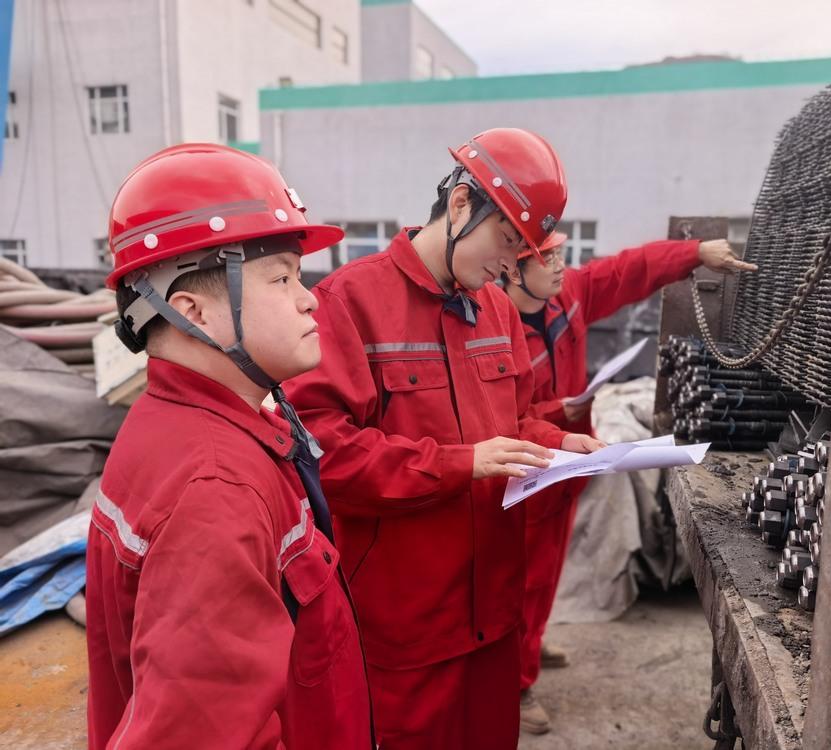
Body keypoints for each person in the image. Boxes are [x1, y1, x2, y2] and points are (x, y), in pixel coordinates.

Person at [285, 128, 602, 749]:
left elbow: (513, 424)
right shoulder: (349, 303)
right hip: (406, 623)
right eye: (508, 240)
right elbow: (324, 455)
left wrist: (560, 445)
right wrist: (461, 465)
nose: (512, 264)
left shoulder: (497, 310)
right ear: (461, 203)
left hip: (493, 613)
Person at [86, 143, 374, 749]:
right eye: (281, 278)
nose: (309, 297)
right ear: (194, 312)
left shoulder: (180, 423)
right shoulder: (215, 491)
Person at [503, 229, 756, 733]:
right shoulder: (492, 325)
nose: (559, 264)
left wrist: (694, 253)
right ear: (511, 268)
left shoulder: (566, 296)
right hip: (526, 471)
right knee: (520, 581)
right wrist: (560, 410)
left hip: (571, 467)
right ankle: (516, 682)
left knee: (548, 569)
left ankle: (528, 645)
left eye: (559, 253)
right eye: (546, 256)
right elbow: (499, 416)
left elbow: (626, 271)